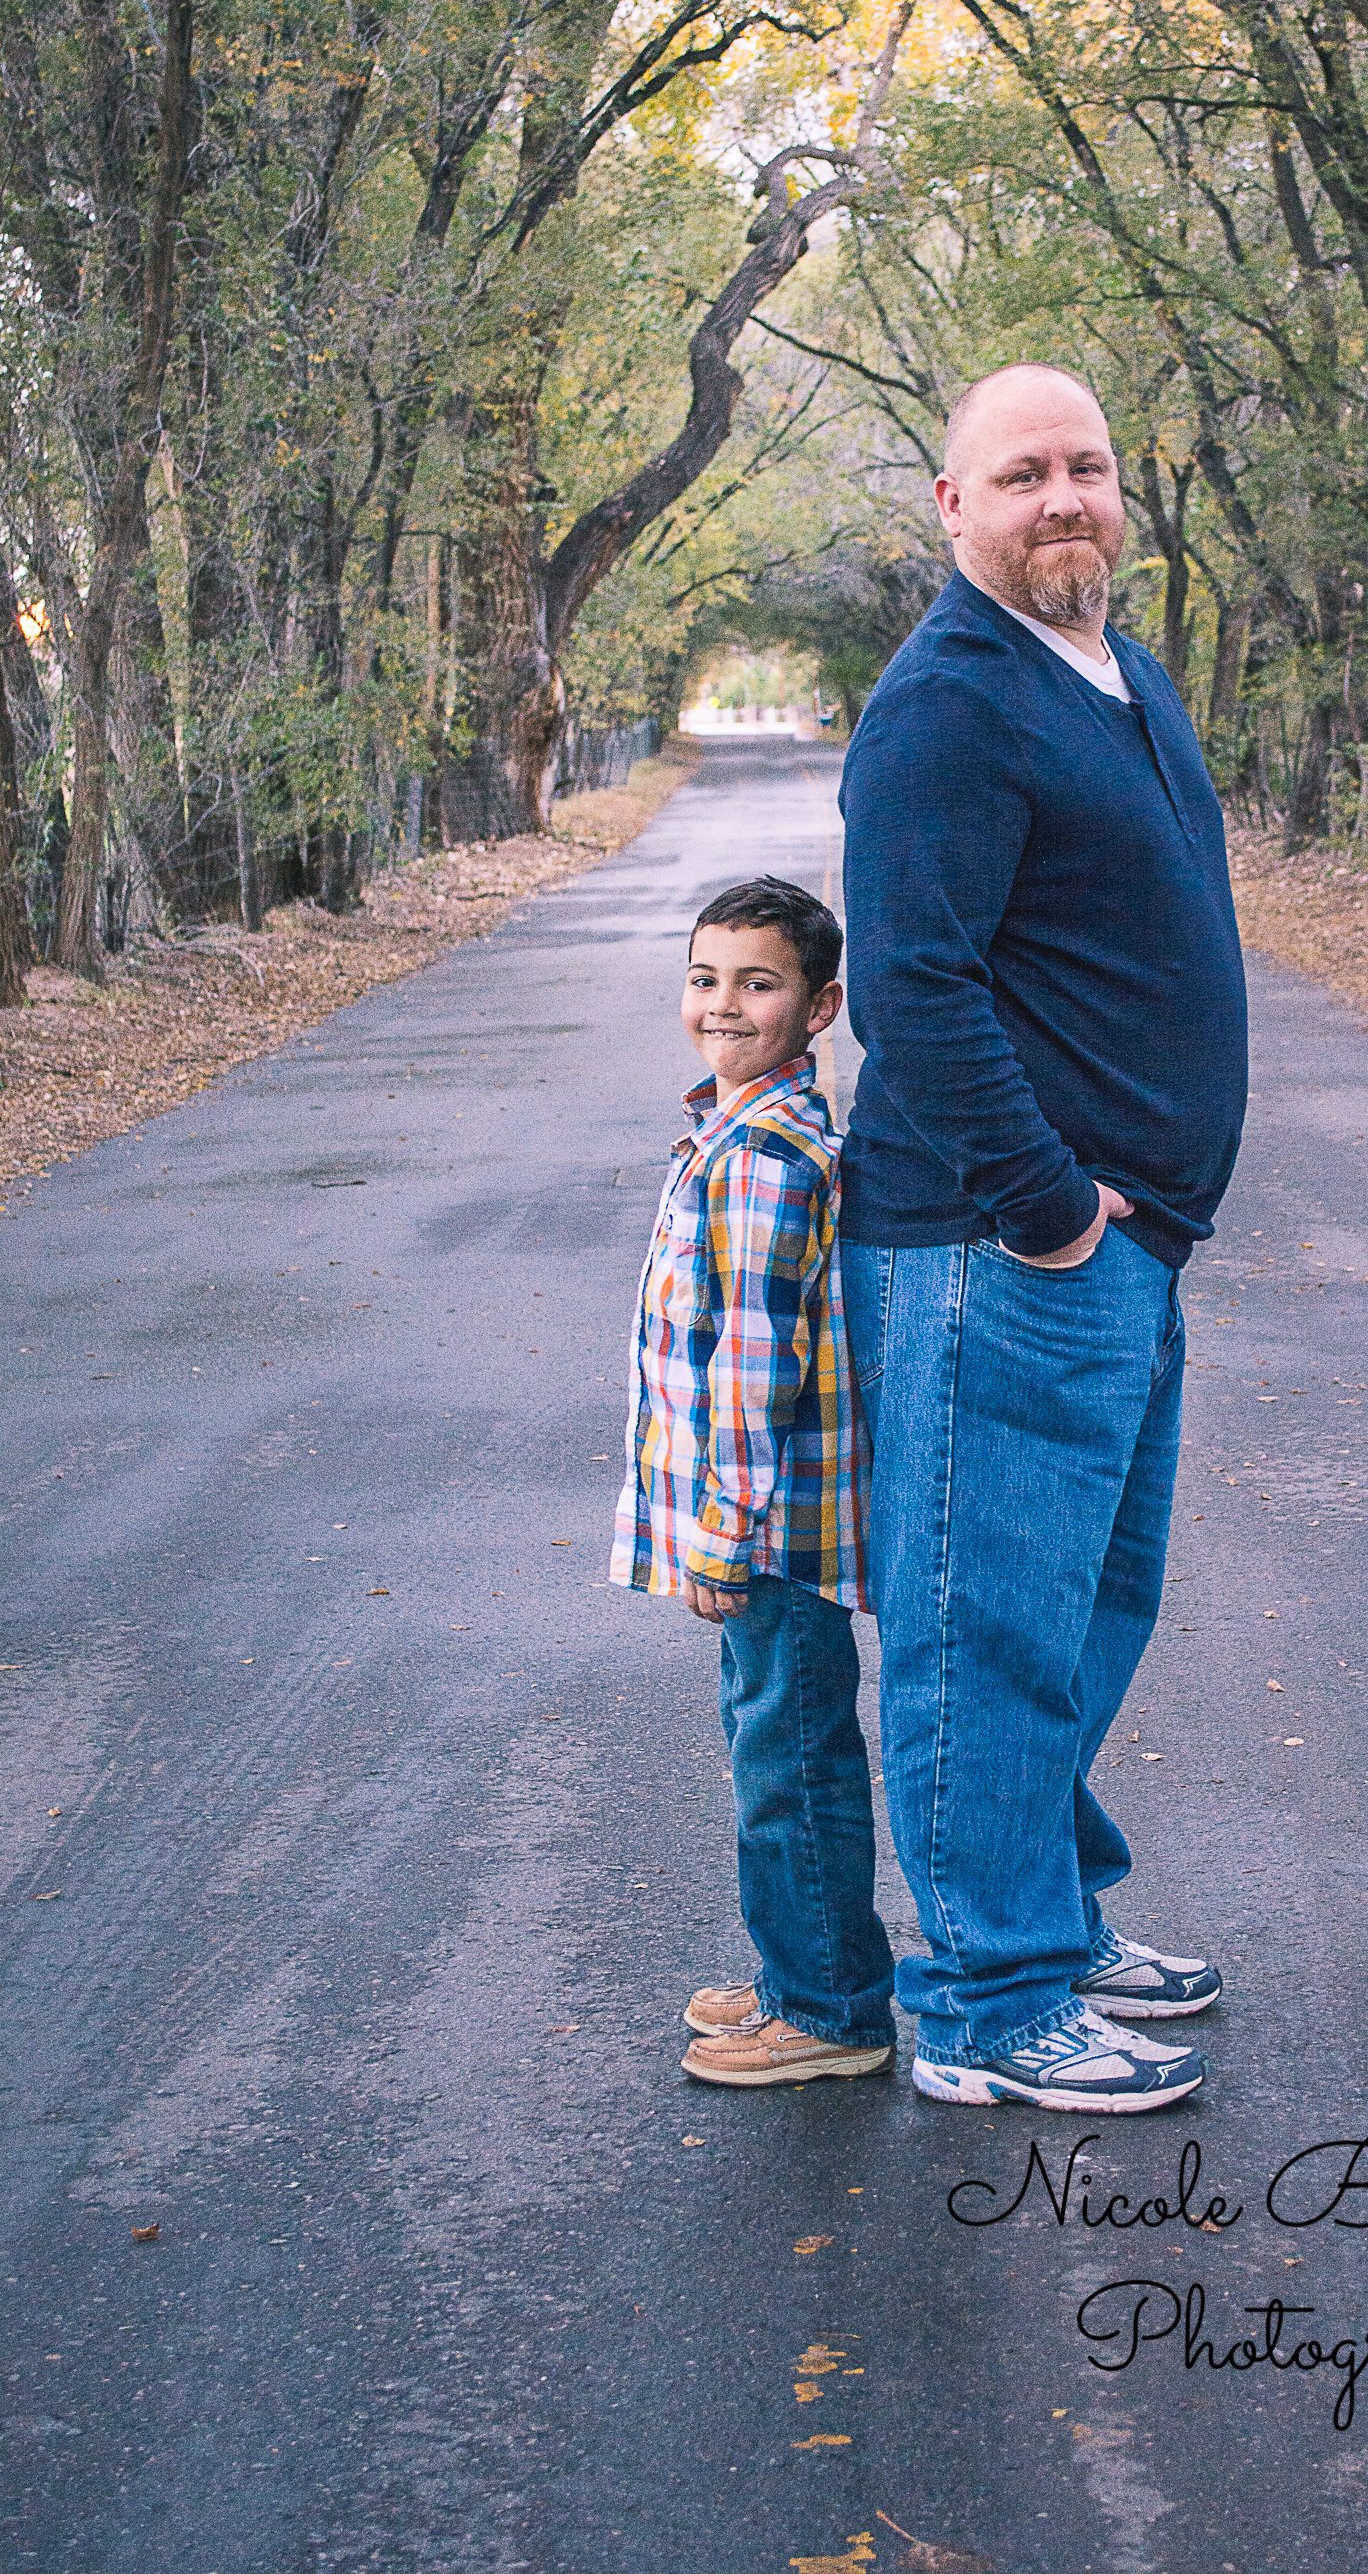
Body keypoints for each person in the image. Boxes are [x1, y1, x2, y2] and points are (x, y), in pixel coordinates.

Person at [837, 362, 1250, 2112]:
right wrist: (1055, 1213)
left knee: (1091, 1608)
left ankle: (1049, 1918)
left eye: (1087, 464)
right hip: (995, 1255)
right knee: (982, 1624)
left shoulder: (1116, 672)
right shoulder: (949, 703)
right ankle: (989, 2005)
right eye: (1022, 474)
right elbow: (914, 987)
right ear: (953, 509)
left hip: (1117, 1247)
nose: (1064, 497)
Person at [610, 875, 896, 2087]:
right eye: (704, 978)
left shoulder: (766, 1158)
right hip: (763, 1526)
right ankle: (800, 1972)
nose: (721, 1005)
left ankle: (830, 2012)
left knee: (788, 1763)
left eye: (758, 983)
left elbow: (751, 1370)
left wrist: (721, 1541)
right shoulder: (735, 1132)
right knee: (773, 1746)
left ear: (821, 1004)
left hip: (769, 1534)